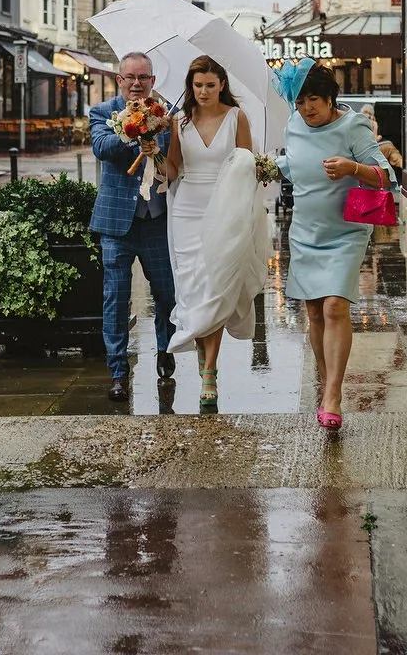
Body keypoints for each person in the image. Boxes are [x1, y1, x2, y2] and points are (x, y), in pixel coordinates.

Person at [275, 62, 395, 430]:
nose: (307, 108)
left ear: (330, 99)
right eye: (299, 102)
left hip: (345, 232)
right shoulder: (294, 125)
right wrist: (269, 166)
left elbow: (385, 176)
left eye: (313, 99)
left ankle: (333, 395)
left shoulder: (352, 125)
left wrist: (351, 168)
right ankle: (327, 385)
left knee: (334, 307)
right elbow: (294, 167)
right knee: (313, 312)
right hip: (306, 230)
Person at [161, 55, 268, 410]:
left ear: (222, 84)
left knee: (217, 286)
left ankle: (209, 370)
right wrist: (153, 154)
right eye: (197, 85)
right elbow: (173, 170)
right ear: (190, 87)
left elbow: (246, 165)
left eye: (210, 84)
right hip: (187, 210)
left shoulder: (237, 118)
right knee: (193, 288)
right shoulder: (179, 121)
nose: (203, 91)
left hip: (225, 210)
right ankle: (207, 357)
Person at [88, 51, 178, 401]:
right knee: (116, 297)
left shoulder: (167, 116)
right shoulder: (102, 112)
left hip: (156, 220)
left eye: (144, 78)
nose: (137, 84)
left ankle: (165, 350)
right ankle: (117, 371)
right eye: (131, 78)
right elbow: (102, 146)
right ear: (119, 80)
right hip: (116, 223)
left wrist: (156, 145)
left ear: (153, 82)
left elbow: (174, 163)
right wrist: (133, 132)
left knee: (167, 294)